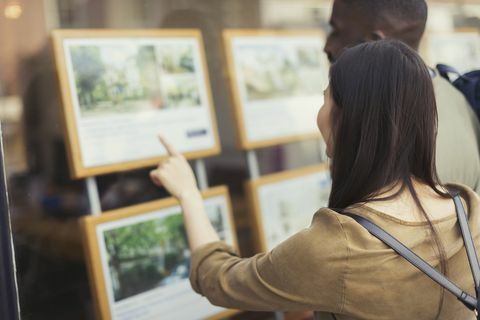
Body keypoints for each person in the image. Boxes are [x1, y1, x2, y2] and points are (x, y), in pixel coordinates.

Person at [150, 40, 480, 319]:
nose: (320, 112)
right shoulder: (468, 210)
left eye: (326, 98)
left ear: (349, 118)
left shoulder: (339, 245)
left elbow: (217, 279)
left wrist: (188, 194)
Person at [324, 0, 480, 193]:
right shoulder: (449, 96)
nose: (327, 46)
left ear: (375, 42)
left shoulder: (405, 145)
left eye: (336, 30)